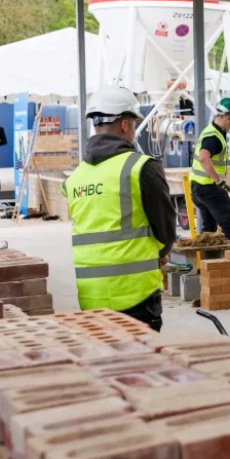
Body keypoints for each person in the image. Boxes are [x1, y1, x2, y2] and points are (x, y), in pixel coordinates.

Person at [62, 86, 176, 331]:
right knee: (141, 365)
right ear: (125, 125)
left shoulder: (75, 178)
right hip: (136, 294)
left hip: (91, 297)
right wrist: (162, 252)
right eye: (134, 124)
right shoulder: (141, 167)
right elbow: (165, 227)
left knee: (106, 365)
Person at [190, 97, 230, 240]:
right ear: (228, 117)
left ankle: (209, 261)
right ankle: (227, 260)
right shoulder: (214, 137)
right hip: (210, 188)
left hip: (197, 188)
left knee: (209, 229)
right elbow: (203, 158)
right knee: (228, 227)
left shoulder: (211, 130)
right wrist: (218, 180)